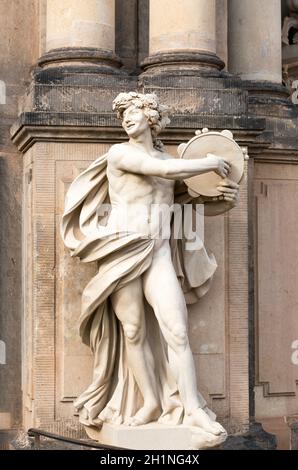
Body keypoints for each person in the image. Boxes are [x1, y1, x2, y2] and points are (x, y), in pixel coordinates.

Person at [61, 92, 239, 441]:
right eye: (123, 114)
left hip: (157, 252)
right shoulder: (121, 153)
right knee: (133, 330)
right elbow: (165, 171)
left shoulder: (165, 157)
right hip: (123, 249)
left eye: (133, 111)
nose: (126, 118)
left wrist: (221, 194)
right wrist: (209, 161)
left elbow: (186, 196)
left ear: (151, 117)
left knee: (177, 331)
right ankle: (151, 403)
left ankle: (194, 409)